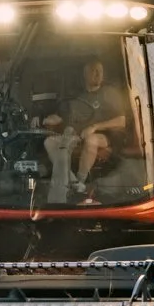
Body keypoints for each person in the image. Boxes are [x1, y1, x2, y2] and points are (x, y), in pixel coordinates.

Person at [44, 58, 129, 204]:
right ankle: (76, 183)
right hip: (76, 135)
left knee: (92, 140)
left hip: (105, 136)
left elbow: (121, 121)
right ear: (85, 74)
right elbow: (60, 117)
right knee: (49, 142)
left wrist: (95, 127)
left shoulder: (110, 93)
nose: (97, 74)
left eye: (100, 71)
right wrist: (44, 120)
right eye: (93, 71)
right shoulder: (77, 97)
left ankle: (80, 178)